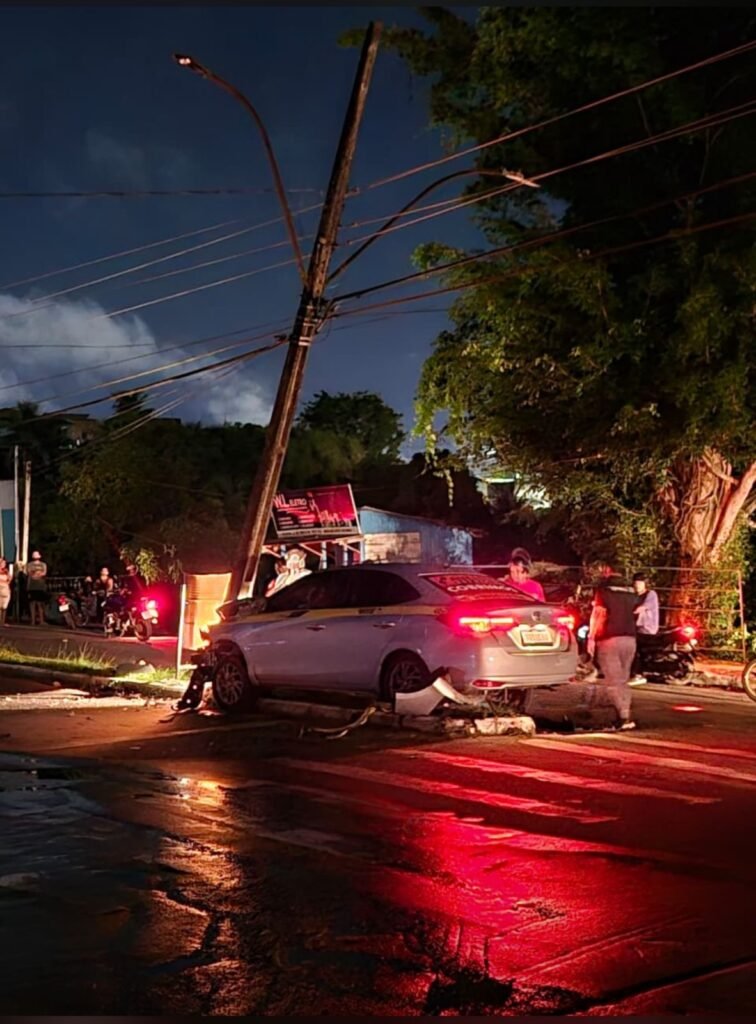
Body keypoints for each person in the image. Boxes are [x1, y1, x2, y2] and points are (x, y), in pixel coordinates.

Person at [587, 563, 638, 730]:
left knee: (613, 681)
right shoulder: (631, 592)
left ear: (608, 571)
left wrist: (591, 637)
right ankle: (626, 715)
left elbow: (599, 615)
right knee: (623, 679)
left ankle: (624, 718)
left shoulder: (603, 591)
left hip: (610, 639)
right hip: (630, 639)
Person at [631, 572, 659, 681]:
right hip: (637, 627)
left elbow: (641, 608)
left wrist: (629, 611)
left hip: (646, 627)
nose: (637, 585)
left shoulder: (651, 594)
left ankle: (638, 673)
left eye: (640, 583)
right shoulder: (634, 596)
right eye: (635, 583)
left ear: (645, 584)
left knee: (635, 646)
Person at [26, 550, 48, 626]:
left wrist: (36, 573)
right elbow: (29, 572)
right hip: (32, 586)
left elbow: (44, 573)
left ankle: (41, 621)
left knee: (40, 604)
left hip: (40, 586)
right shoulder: (29, 564)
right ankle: (33, 621)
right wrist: (37, 574)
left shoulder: (43, 564)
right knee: (33, 603)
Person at [0, 557, 12, 626]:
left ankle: (2, 621)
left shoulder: (6, 571)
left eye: (4, 563)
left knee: (4, 607)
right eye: (2, 563)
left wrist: (8, 581)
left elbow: (9, 579)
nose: (3, 564)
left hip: (5, 589)